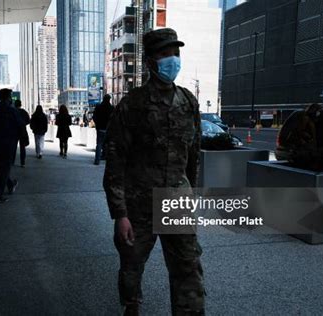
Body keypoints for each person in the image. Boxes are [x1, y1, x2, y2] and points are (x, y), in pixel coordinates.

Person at [103, 28, 204, 315]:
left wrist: (190, 195)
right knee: (132, 265)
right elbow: (115, 161)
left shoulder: (188, 102)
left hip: (177, 202)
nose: (172, 60)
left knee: (188, 267)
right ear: (150, 61)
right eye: (164, 54)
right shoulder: (132, 105)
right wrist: (120, 214)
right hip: (139, 204)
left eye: (175, 53)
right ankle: (132, 305)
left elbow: (193, 156)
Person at [93, 94, 114, 165]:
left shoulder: (98, 106)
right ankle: (106, 158)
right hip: (108, 129)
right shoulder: (112, 108)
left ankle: (97, 160)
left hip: (100, 128)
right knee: (107, 144)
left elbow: (94, 117)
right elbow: (113, 119)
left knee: (99, 144)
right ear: (109, 99)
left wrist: (97, 124)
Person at [12, 99, 31, 167]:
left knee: (13, 147)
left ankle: (12, 161)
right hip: (22, 131)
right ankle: (22, 162)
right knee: (22, 148)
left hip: (14, 131)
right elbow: (28, 121)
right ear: (21, 104)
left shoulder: (13, 111)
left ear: (15, 104)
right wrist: (23, 124)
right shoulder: (24, 112)